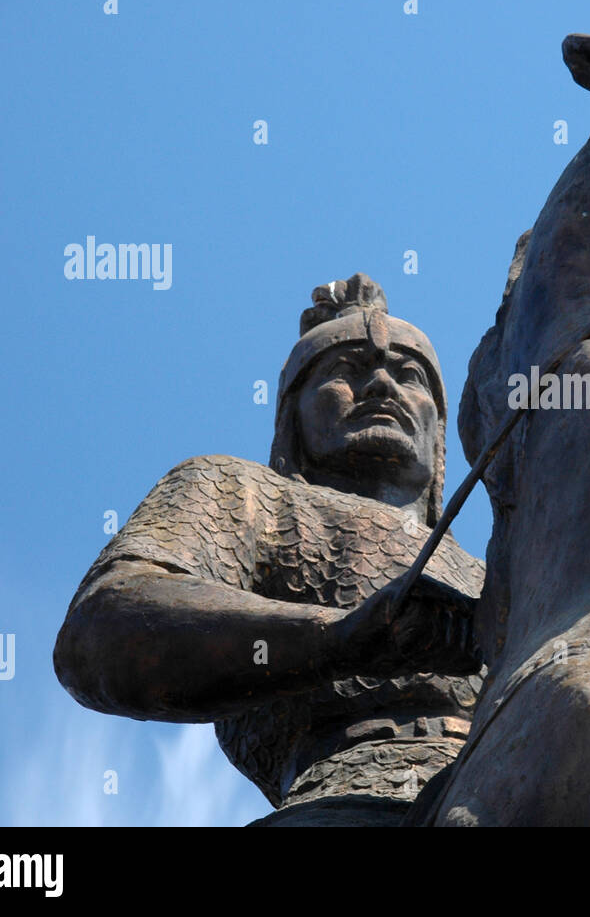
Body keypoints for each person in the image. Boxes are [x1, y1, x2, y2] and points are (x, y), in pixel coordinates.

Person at [54, 274, 483, 826]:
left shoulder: (495, 567)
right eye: (344, 371)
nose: (382, 386)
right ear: (292, 415)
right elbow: (104, 628)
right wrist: (341, 637)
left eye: (410, 375)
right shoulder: (243, 492)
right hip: (347, 796)